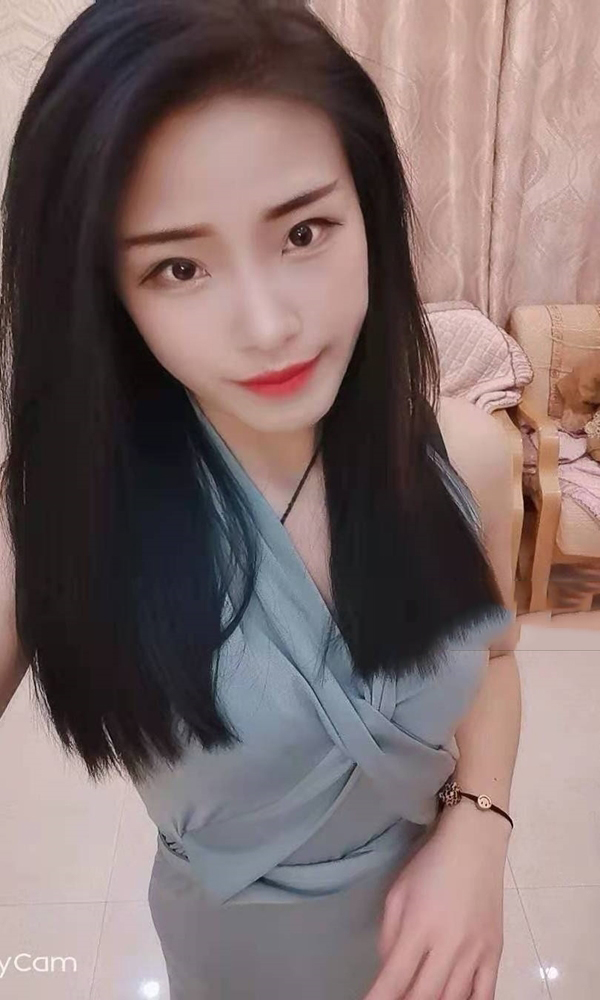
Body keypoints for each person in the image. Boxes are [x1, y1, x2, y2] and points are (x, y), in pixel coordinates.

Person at [0, 1, 522, 997]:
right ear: (105, 292)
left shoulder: (469, 455)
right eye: (179, 266)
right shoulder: (54, 520)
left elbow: (494, 659)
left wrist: (480, 825)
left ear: (368, 210)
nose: (269, 323)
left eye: (303, 231)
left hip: (442, 963)